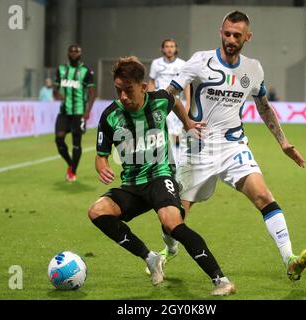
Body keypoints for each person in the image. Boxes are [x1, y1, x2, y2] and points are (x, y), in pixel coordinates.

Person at [159, 10, 306, 282]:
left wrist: (283, 143)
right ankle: (169, 250)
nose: (230, 39)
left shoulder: (253, 68)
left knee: (264, 196)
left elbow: (263, 107)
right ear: (221, 32)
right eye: (227, 33)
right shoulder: (200, 61)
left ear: (247, 37)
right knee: (172, 219)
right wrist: (186, 124)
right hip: (198, 148)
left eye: (237, 35)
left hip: (233, 147)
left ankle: (289, 259)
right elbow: (168, 96)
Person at [88, 56, 235, 296]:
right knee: (97, 211)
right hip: (131, 185)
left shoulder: (159, 100)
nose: (123, 96)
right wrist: (101, 166)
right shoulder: (110, 116)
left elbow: (175, 101)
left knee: (172, 223)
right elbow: (100, 154)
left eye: (128, 90)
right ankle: (150, 257)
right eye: (118, 90)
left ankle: (221, 280)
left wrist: (187, 124)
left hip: (160, 176)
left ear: (143, 87)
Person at [53, 44, 96, 182]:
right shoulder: (61, 69)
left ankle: (73, 171)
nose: (73, 54)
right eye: (71, 51)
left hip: (79, 112)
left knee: (76, 143)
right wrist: (56, 94)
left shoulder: (86, 71)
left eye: (76, 52)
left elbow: (91, 93)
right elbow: (55, 88)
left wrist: (87, 111)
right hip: (64, 111)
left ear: (80, 54)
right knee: (59, 140)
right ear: (67, 53)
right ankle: (71, 164)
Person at [148, 39, 190, 165]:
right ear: (162, 49)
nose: (169, 49)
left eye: (172, 46)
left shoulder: (183, 64)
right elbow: (151, 82)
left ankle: (176, 162)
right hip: (159, 103)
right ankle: (160, 161)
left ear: (176, 49)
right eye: (167, 46)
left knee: (176, 134)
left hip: (175, 102)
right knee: (158, 132)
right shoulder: (156, 63)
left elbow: (187, 84)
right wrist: (150, 99)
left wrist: (187, 103)